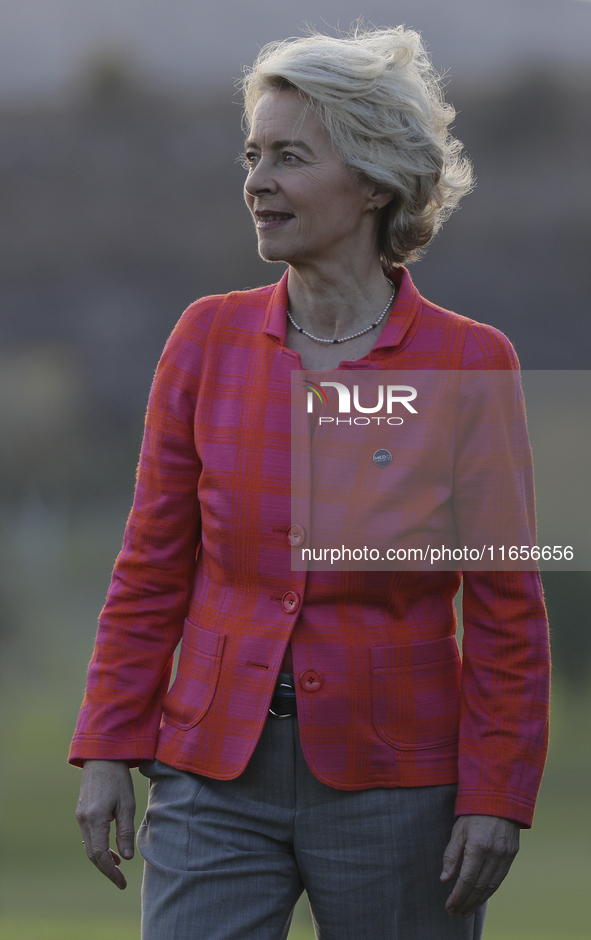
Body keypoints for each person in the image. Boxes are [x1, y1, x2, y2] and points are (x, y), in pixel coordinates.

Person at [71, 26, 550, 940]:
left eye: (289, 157)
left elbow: (504, 606)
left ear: (374, 181)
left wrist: (498, 791)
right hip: (211, 773)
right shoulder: (205, 341)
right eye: (252, 155)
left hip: (399, 791)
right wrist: (106, 745)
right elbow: (150, 567)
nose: (256, 181)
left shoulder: (468, 363)